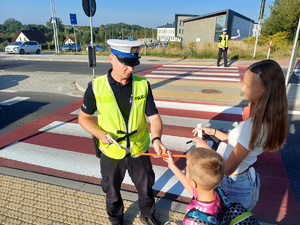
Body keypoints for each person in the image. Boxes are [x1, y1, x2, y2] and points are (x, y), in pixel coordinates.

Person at [78, 39, 167, 225]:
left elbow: (154, 117)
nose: (131, 69)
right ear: (112, 58)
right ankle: (116, 219)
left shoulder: (143, 85)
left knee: (146, 187)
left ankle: (147, 215)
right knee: (111, 190)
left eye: (133, 64)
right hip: (111, 152)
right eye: (126, 64)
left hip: (138, 148)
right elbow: (83, 119)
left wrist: (156, 139)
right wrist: (101, 134)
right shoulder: (96, 87)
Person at [192, 59, 288, 210]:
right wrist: (215, 132)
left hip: (234, 185)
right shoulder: (268, 120)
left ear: (264, 89)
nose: (243, 88)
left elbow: (227, 168)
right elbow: (242, 145)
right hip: (246, 177)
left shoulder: (253, 127)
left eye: (248, 85)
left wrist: (204, 149)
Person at [163, 148, 225, 225]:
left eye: (187, 172)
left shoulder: (194, 222)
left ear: (194, 182)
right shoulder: (215, 191)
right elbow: (192, 189)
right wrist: (172, 166)